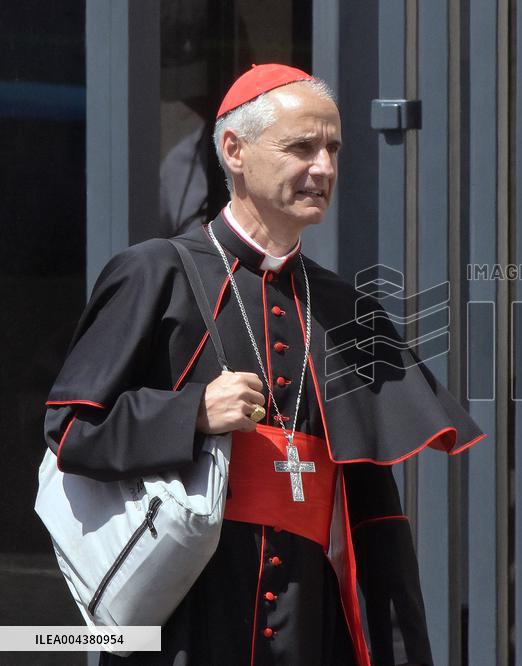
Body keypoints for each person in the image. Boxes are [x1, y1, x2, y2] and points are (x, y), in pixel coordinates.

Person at [43, 64, 484, 665]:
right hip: (188, 622)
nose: (324, 167)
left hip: (309, 626)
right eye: (301, 147)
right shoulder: (157, 273)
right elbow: (71, 429)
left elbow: (375, 515)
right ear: (235, 151)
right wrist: (190, 412)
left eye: (332, 148)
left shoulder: (346, 309)